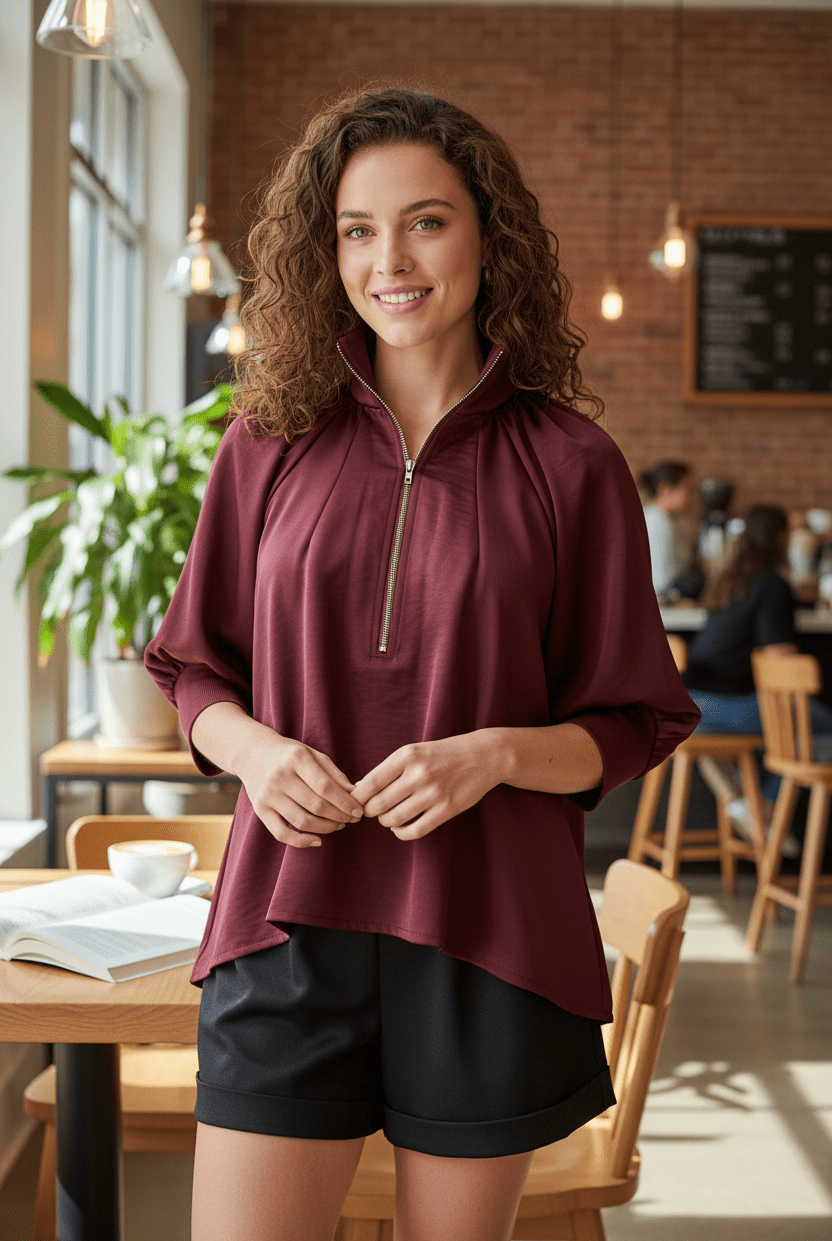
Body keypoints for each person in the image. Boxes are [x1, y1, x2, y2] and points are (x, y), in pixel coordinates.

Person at [144, 86, 699, 1241]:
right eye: (357, 229)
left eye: (426, 222)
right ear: (327, 250)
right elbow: (193, 668)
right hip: (282, 921)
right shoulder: (264, 442)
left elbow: (632, 718)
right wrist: (255, 751)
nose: (388, 260)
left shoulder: (573, 463)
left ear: (489, 236)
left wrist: (492, 755)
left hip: (486, 927)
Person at [683, 504, 832, 833]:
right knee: (808, 729)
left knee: (781, 731)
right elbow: (780, 660)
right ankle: (765, 813)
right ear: (780, 538)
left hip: (689, 703)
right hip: (720, 706)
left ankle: (742, 803)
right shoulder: (771, 585)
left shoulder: (726, 581)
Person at [638, 459, 700, 599]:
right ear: (666, 490)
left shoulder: (663, 519)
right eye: (689, 490)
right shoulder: (657, 522)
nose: (694, 498)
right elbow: (662, 582)